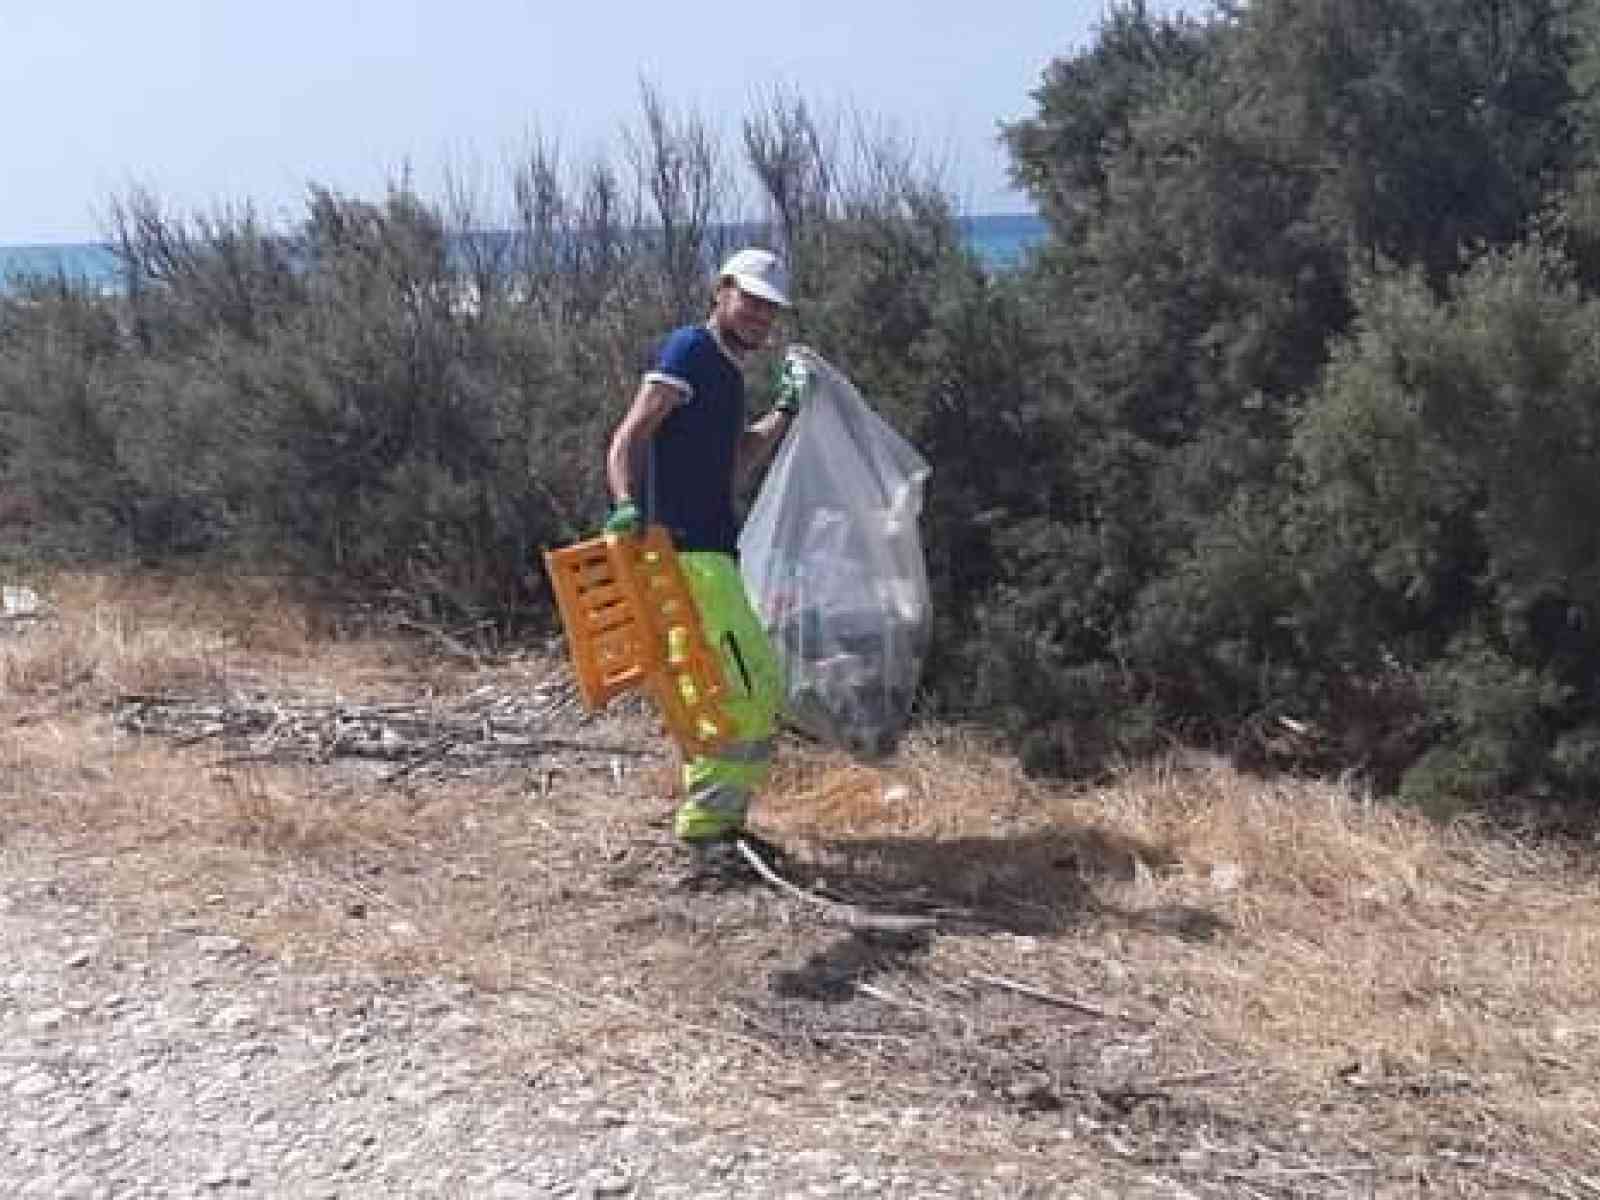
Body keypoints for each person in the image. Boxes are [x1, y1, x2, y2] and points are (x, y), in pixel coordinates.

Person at [602, 247, 810, 883]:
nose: (758, 317)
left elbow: (738, 460)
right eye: (749, 300)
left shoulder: (726, 373)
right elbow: (630, 435)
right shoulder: (689, 351)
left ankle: (718, 825)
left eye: (769, 310)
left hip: (711, 553)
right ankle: (706, 832)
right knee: (747, 691)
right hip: (683, 554)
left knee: (717, 688)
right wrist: (626, 505)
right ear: (721, 291)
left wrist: (785, 411)